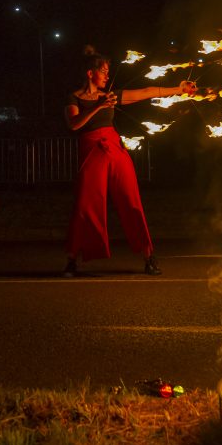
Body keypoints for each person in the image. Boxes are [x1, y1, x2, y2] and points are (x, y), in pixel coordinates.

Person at [63, 45, 196, 277]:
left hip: (115, 149)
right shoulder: (75, 98)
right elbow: (74, 124)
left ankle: (148, 256)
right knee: (86, 205)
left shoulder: (110, 97)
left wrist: (179, 89)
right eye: (103, 71)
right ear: (90, 73)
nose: (107, 75)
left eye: (107, 71)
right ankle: (72, 259)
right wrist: (97, 107)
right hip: (92, 151)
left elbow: (147, 91)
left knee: (131, 201)